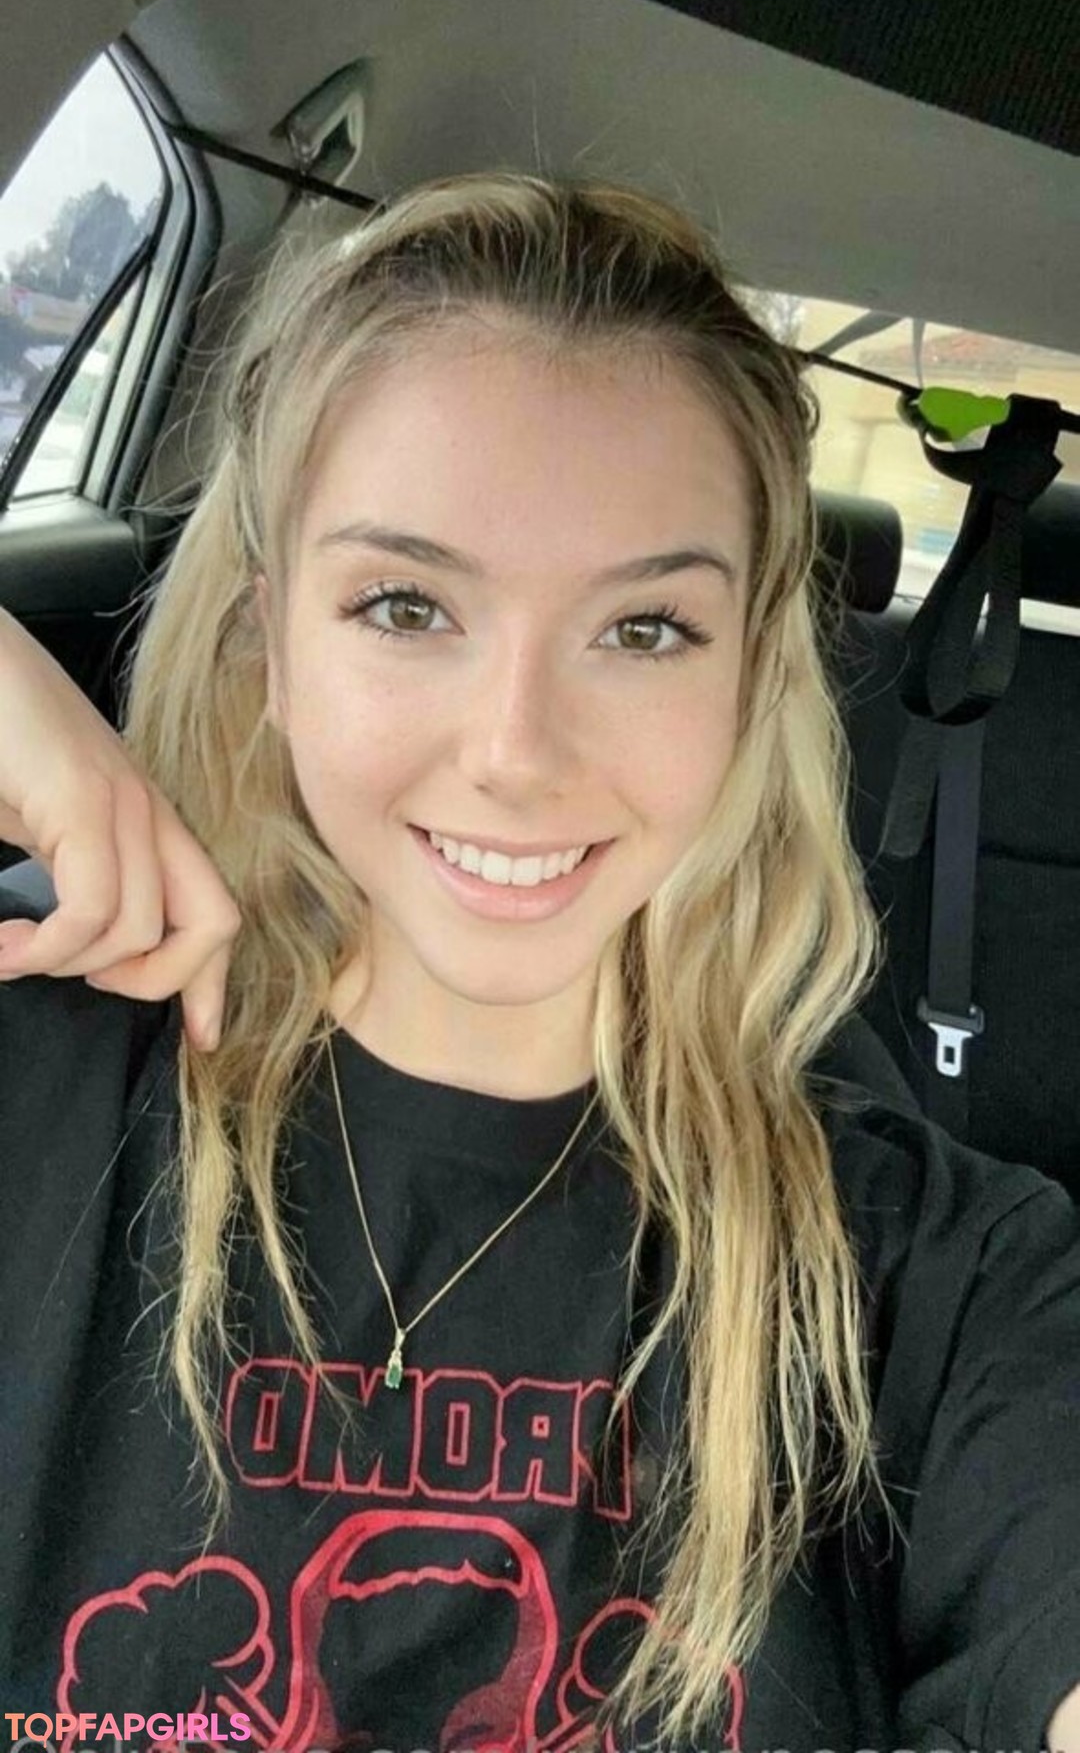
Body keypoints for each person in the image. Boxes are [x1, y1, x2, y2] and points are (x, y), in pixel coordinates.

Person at [1, 172, 1078, 1753]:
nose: (516, 753)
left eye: (643, 631)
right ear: (268, 643)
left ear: (751, 679)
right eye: (405, 606)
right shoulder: (39, 1088)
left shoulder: (947, 1277)